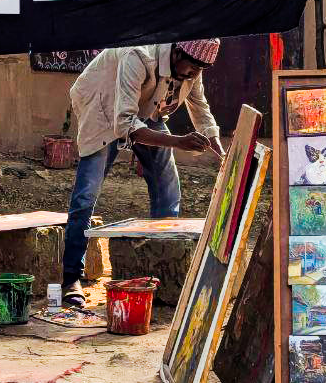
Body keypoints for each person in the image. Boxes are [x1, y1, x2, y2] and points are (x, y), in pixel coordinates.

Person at [60, 40, 224, 309]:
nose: (194, 74)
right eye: (192, 68)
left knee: (168, 187)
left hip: (145, 108)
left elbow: (201, 110)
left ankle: (162, 267)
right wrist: (179, 142)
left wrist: (217, 147)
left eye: (199, 70)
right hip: (102, 105)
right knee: (86, 194)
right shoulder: (139, 56)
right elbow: (125, 123)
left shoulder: (192, 66)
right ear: (177, 52)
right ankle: (71, 278)